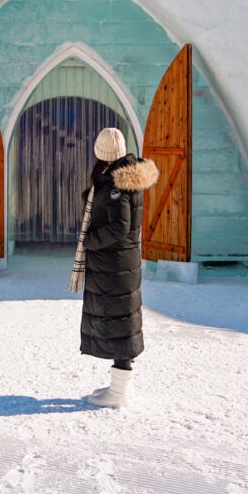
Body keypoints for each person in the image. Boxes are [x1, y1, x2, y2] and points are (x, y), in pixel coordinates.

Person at [75, 126, 159, 408]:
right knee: (121, 321)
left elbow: (120, 226)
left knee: (120, 324)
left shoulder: (115, 184)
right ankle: (118, 387)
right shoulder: (124, 175)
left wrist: (90, 241)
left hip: (114, 263)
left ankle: (119, 394)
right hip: (120, 262)